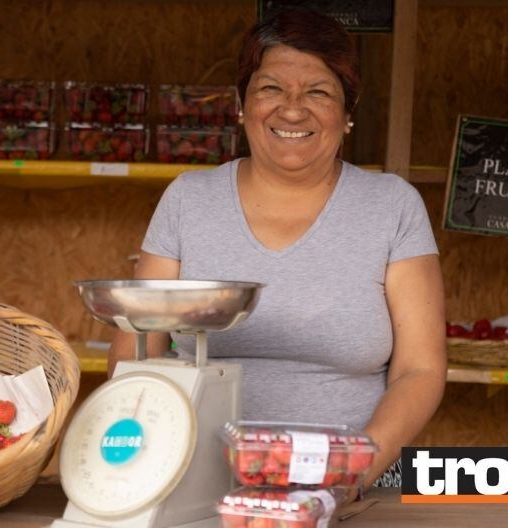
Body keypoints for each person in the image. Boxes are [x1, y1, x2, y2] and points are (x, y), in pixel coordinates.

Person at [109, 9, 446, 489]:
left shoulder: (392, 206)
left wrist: (356, 469)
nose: (292, 109)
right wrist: (154, 468)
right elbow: (136, 355)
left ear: (347, 114)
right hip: (197, 482)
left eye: (319, 92)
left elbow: (420, 369)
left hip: (350, 488)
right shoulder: (188, 199)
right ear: (242, 105)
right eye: (270, 88)